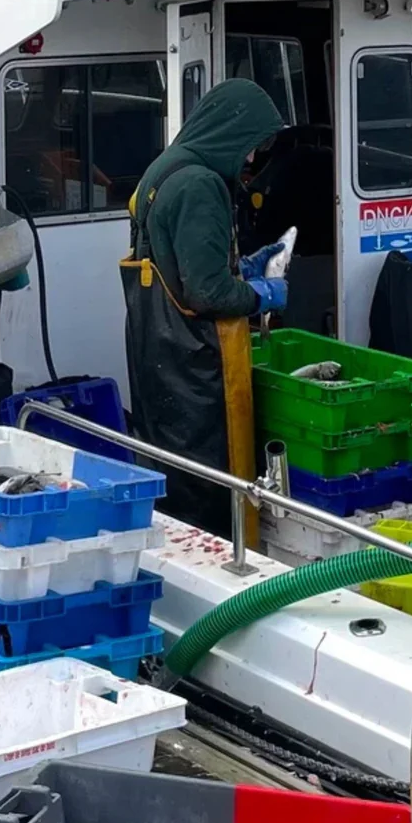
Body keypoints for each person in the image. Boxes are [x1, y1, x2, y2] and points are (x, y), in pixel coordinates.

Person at [121, 79, 286, 534]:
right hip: (194, 367)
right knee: (208, 484)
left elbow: (176, 260)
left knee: (171, 471)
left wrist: (242, 266)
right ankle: (223, 552)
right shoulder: (200, 186)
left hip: (156, 353)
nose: (251, 160)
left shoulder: (165, 168)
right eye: (250, 147)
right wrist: (263, 294)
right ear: (229, 133)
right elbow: (207, 294)